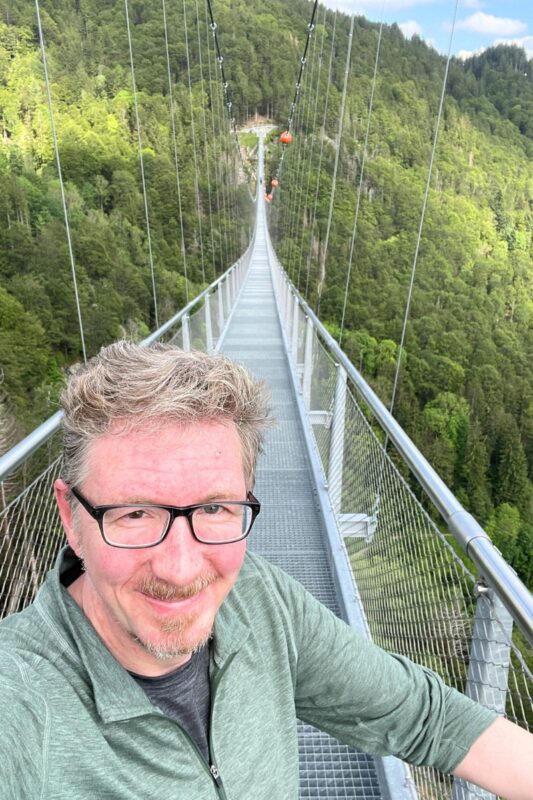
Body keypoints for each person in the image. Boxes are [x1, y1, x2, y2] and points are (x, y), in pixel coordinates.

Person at [0, 341, 531, 799]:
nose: (182, 568)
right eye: (135, 514)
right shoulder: (22, 695)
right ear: (72, 517)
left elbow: (427, 718)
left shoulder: (259, 600)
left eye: (213, 509)